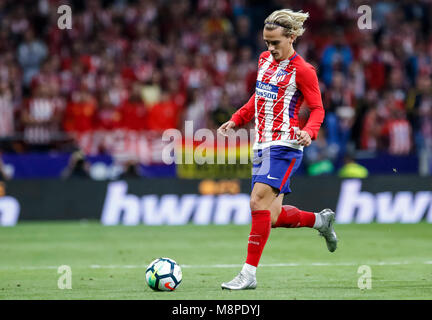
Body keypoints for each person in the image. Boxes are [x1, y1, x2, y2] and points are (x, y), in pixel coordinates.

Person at [217, 9, 338, 290]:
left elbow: (318, 109)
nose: (270, 49)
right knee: (269, 216)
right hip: (261, 144)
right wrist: (237, 119)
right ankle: (321, 221)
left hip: (284, 145)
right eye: (266, 43)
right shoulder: (263, 60)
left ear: (291, 37)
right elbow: (257, 98)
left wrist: (309, 132)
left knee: (256, 202)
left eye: (275, 43)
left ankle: (248, 274)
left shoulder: (304, 70)